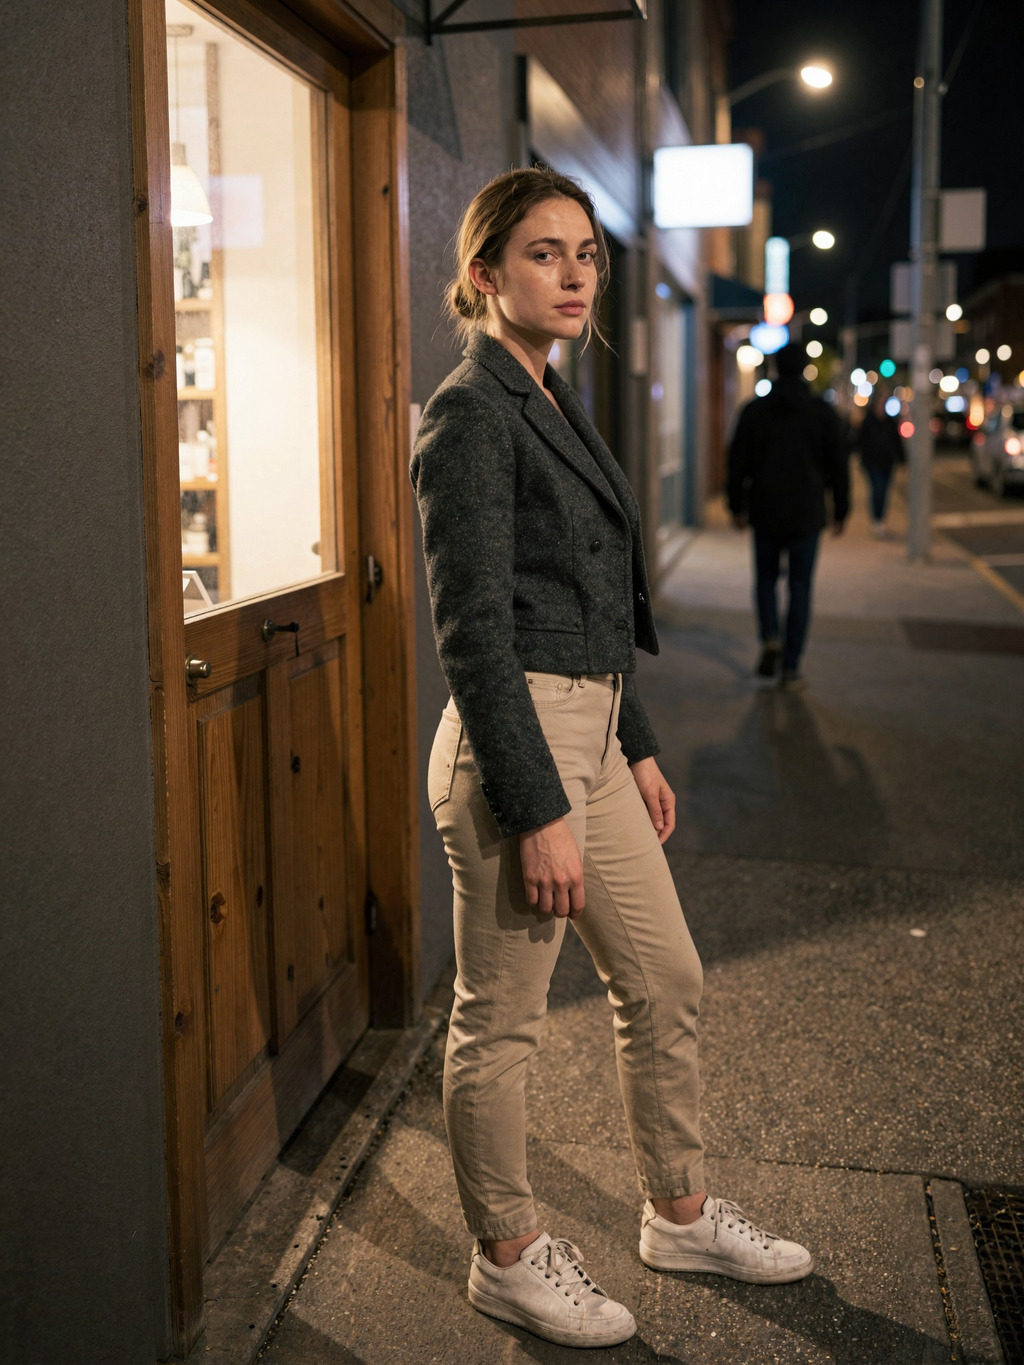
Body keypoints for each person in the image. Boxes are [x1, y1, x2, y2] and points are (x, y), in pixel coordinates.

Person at [411, 168, 813, 1351]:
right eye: (543, 253)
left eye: (586, 252)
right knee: (502, 1022)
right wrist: (537, 805)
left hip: (589, 737)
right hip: (517, 755)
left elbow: (582, 602)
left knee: (666, 977)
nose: (576, 273)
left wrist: (629, 743)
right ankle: (506, 1256)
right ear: (485, 274)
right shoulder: (471, 411)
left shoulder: (550, 393)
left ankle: (678, 1214)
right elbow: (474, 634)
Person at [727, 343, 849, 690]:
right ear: (805, 369)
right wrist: (841, 509)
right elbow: (838, 465)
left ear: (775, 368)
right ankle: (791, 666)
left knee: (766, 580)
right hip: (807, 513)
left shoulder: (754, 411)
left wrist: (736, 506)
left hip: (765, 509)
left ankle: (770, 636)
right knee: (800, 587)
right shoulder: (822, 413)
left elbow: (737, 462)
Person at [855, 389, 905, 536]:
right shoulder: (868, 421)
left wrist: (901, 458)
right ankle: (876, 519)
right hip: (872, 462)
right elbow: (860, 441)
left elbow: (896, 442)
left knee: (884, 491)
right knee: (878, 489)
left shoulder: (890, 422)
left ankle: (880, 519)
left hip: (887, 463)